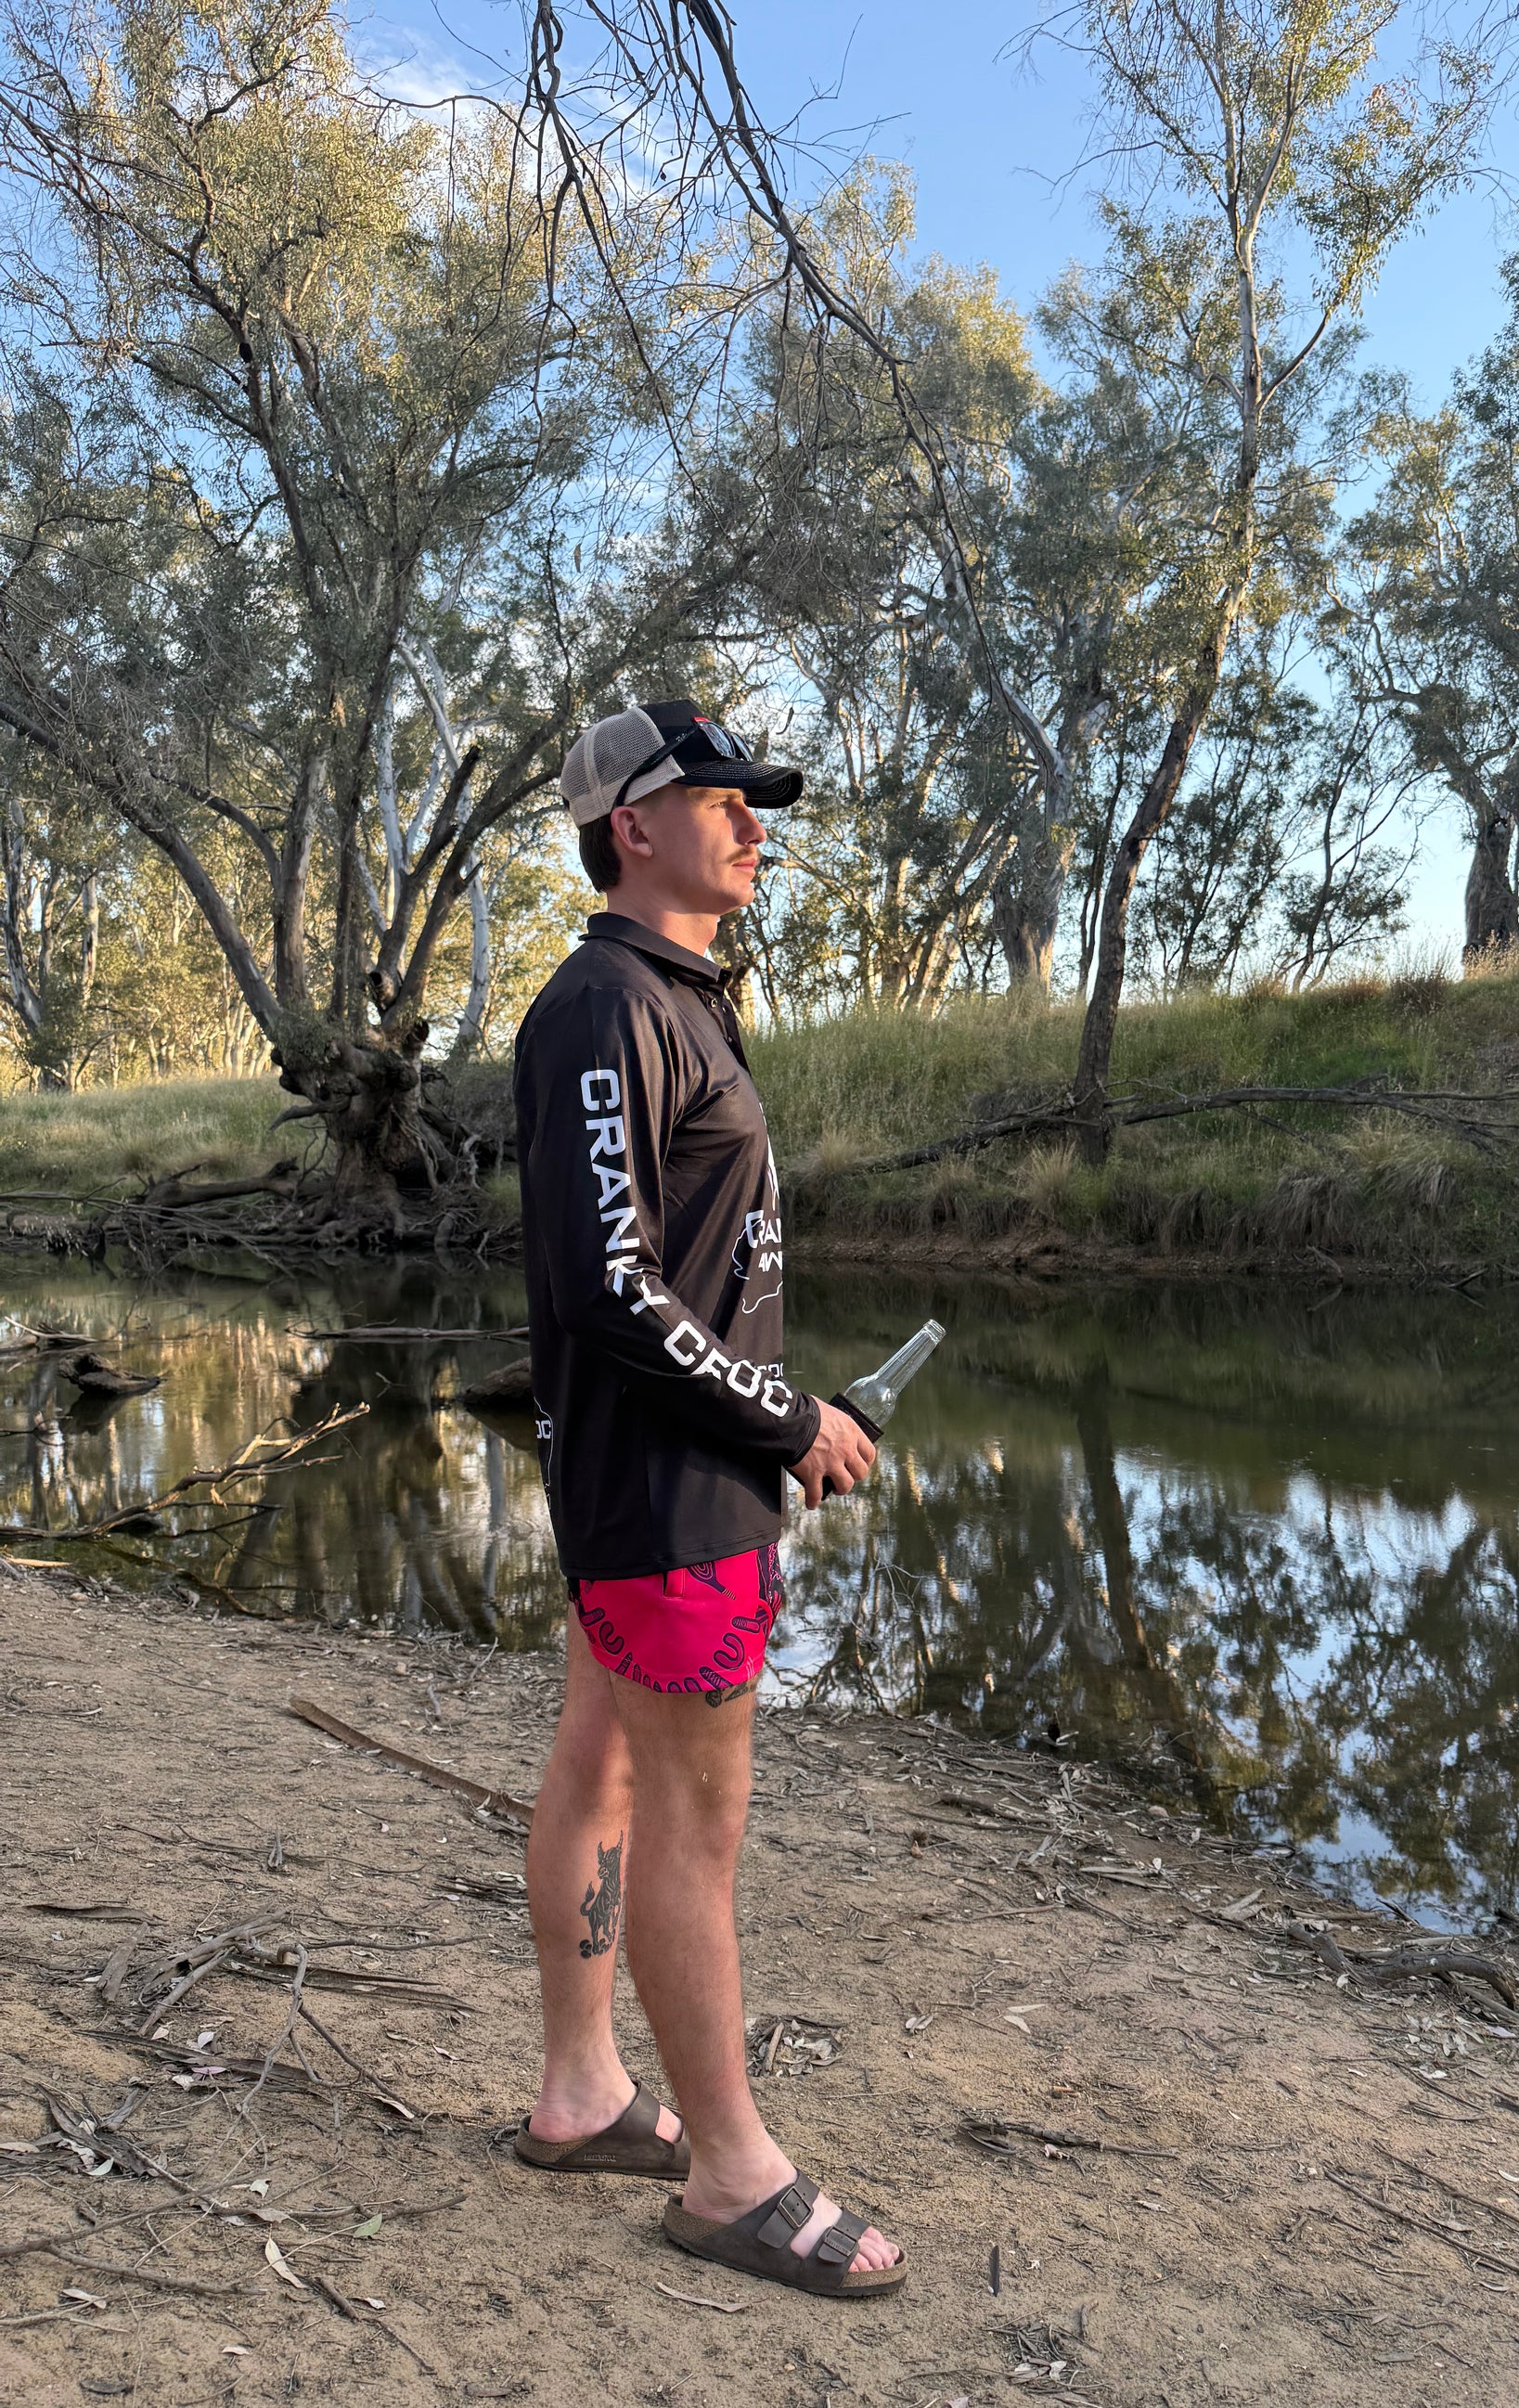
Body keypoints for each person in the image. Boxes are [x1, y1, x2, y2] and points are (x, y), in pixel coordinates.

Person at [510, 699, 906, 2299]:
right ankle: (734, 2175)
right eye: (721, 798)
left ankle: (582, 2093)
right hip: (665, 1496)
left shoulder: (673, 995)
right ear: (633, 828)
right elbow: (608, 1286)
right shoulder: (604, 1004)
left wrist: (763, 1428)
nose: (754, 822)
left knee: (603, 1769)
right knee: (691, 1820)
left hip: (670, 1486)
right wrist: (784, 1417)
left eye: (755, 800)